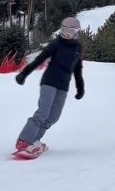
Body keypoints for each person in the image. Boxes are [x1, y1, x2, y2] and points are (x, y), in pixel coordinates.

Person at [14, 17, 85, 154]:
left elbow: (77, 69)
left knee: (53, 116)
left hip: (63, 86)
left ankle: (35, 139)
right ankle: (24, 140)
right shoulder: (56, 44)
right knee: (43, 112)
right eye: (63, 31)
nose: (66, 34)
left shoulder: (78, 48)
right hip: (49, 82)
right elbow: (40, 59)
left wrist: (80, 88)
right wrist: (24, 74)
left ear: (76, 32)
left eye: (69, 31)